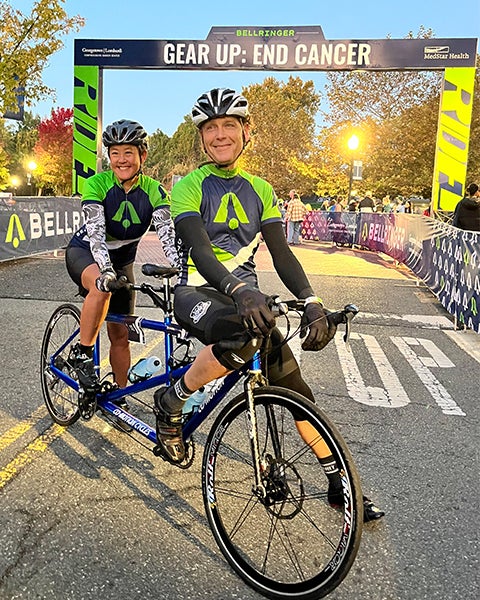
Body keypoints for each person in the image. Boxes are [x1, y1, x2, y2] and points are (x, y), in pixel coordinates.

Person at [154, 88, 384, 521]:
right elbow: (200, 250)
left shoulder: (261, 189)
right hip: (199, 291)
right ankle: (174, 397)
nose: (220, 135)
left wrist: (312, 302)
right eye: (211, 128)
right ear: (201, 137)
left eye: (229, 126)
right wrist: (239, 290)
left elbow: (282, 252)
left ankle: (339, 485)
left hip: (248, 301)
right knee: (241, 337)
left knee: (299, 393)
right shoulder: (188, 186)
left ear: (246, 132)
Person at [65, 119, 178, 403]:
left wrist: (184, 268)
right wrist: (104, 270)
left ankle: (120, 394)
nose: (121, 160)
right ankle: (83, 353)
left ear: (143, 154)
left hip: (123, 263)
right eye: (114, 153)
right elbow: (96, 235)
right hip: (87, 253)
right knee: (102, 288)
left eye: (128, 152)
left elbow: (167, 235)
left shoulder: (155, 191)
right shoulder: (97, 184)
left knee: (120, 335)